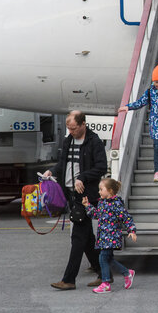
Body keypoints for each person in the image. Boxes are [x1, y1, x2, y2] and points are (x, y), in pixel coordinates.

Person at [45, 110, 107, 291]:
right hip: (71, 194)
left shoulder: (94, 141)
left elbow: (101, 166)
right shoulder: (68, 141)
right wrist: (52, 171)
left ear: (83, 125)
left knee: (78, 237)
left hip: (86, 195)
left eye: (73, 129)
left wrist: (83, 177)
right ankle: (104, 273)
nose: (71, 132)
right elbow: (63, 163)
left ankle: (69, 279)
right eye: (68, 128)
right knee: (87, 238)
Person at [118, 64, 158, 182]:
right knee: (157, 147)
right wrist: (128, 107)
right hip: (156, 125)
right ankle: (157, 171)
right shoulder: (150, 92)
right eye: (156, 82)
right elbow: (140, 102)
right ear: (153, 81)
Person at [83, 178, 137, 294]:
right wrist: (88, 206)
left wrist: (131, 230)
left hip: (112, 237)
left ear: (110, 191)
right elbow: (97, 214)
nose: (99, 192)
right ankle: (127, 273)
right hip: (103, 236)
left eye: (101, 189)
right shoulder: (102, 202)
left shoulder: (117, 204)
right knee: (109, 259)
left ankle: (106, 283)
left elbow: (126, 217)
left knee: (102, 257)